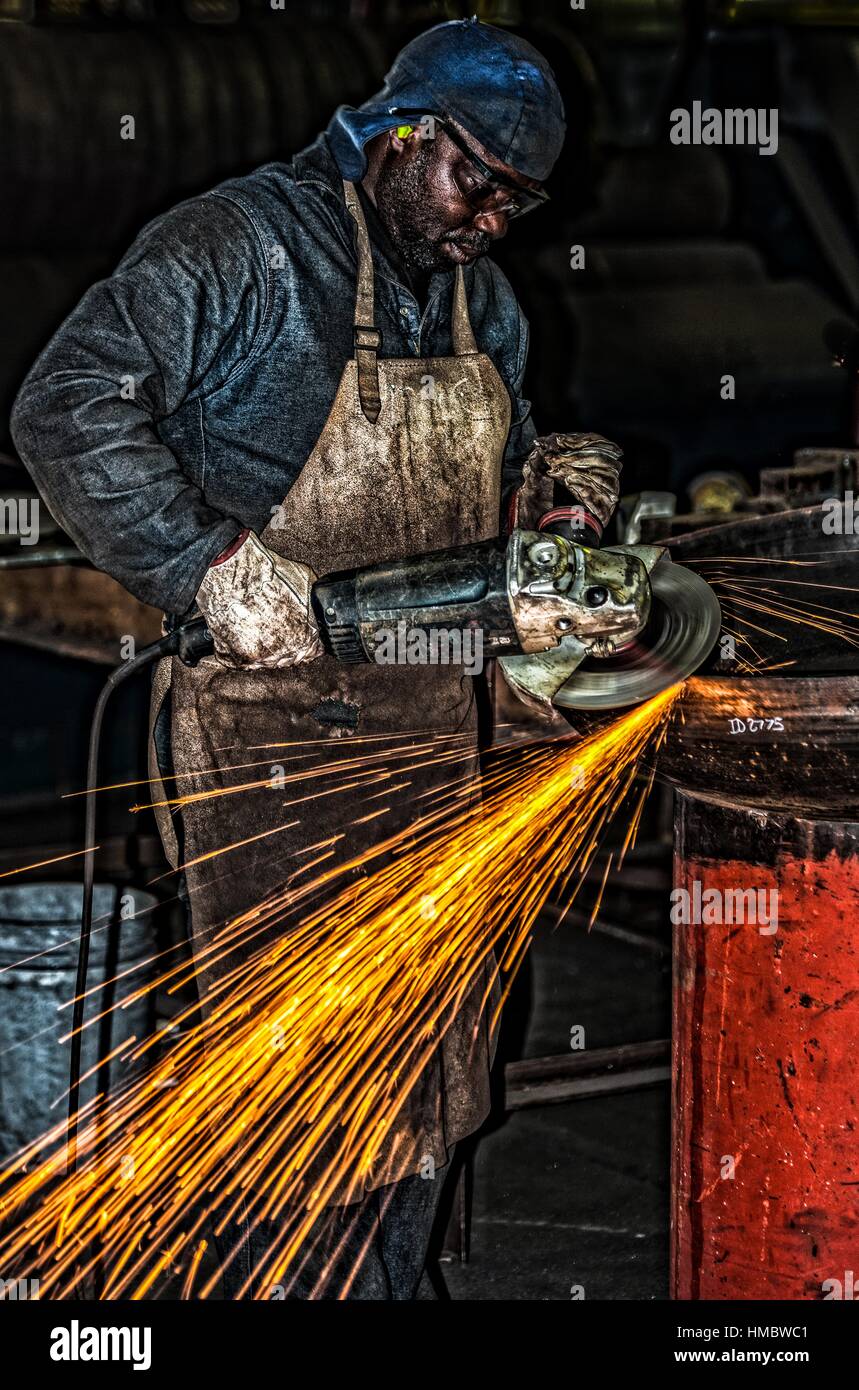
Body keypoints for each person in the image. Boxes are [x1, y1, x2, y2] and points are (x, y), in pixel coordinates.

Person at [11, 17, 622, 1299]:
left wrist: (553, 506)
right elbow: (67, 404)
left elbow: (508, 472)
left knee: (434, 1060)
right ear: (400, 133)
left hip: (437, 744)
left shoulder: (479, 301)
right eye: (478, 184)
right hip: (278, 746)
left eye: (518, 202)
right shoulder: (236, 248)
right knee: (306, 1070)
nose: (493, 222)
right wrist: (207, 567)